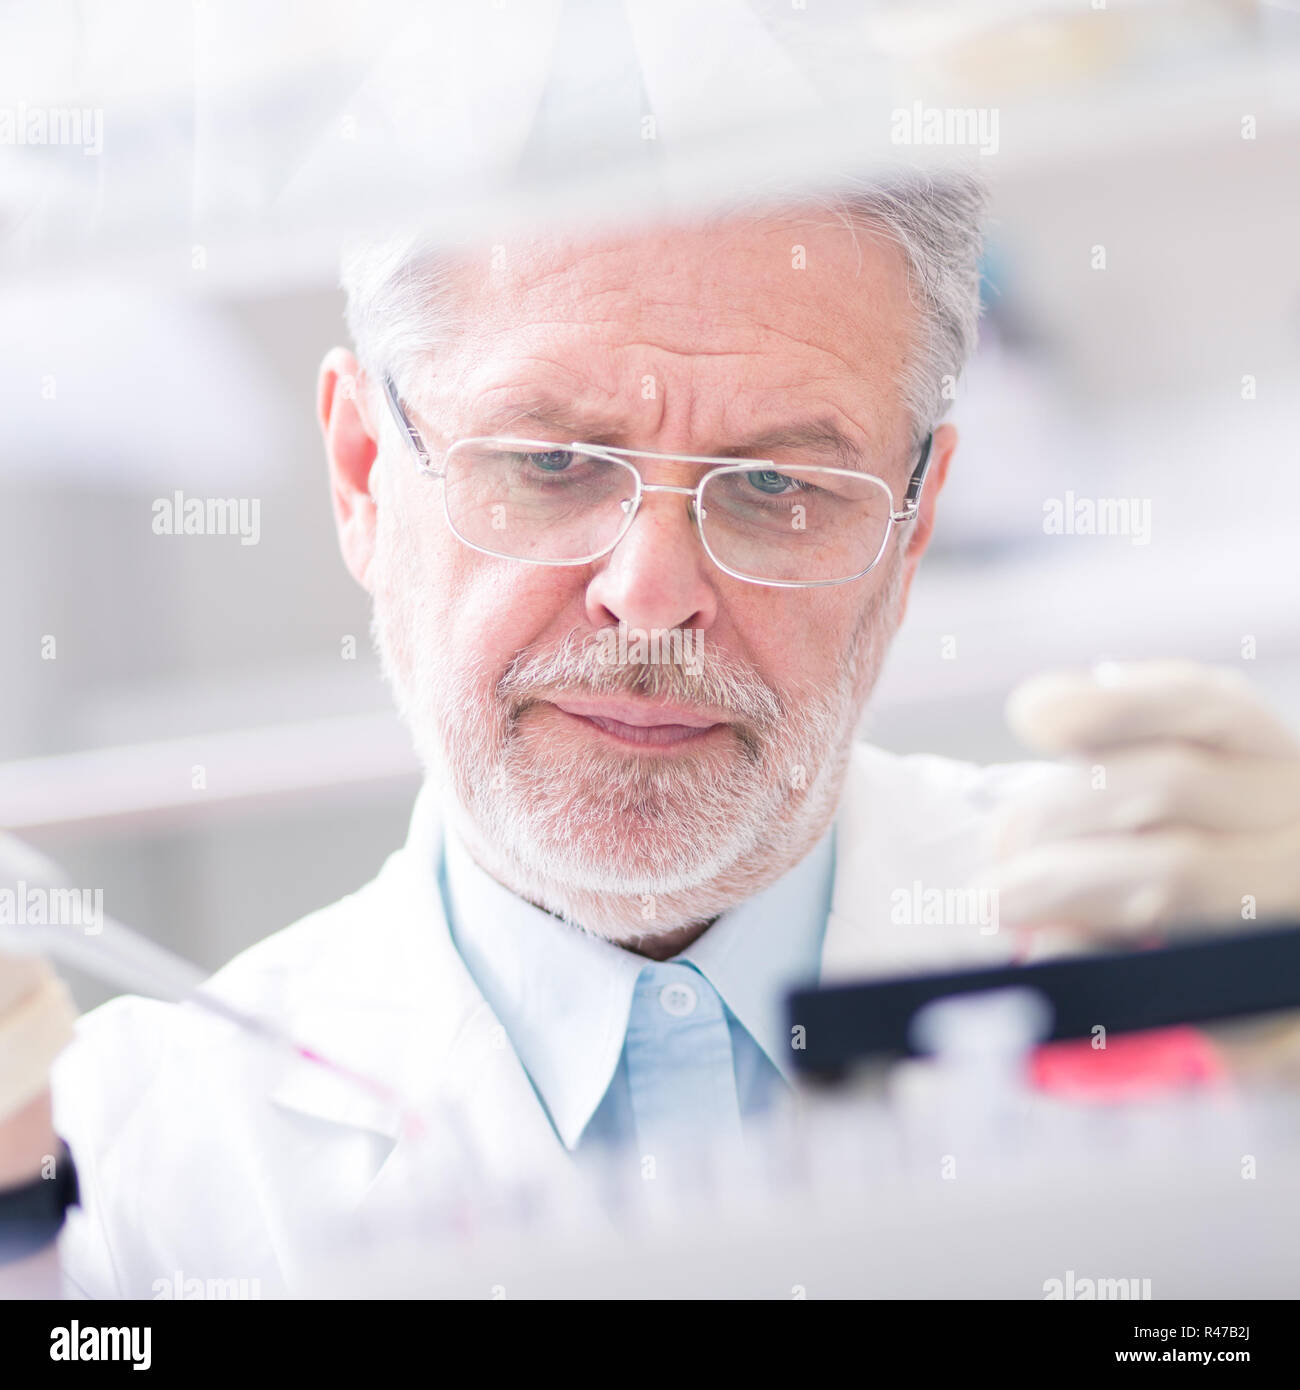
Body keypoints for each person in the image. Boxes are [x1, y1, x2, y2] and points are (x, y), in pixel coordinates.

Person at [4, 172, 1299, 1297]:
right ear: (361, 474)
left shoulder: (1159, 957)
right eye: (553, 461)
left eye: (777, 484)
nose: (653, 590)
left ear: (911, 531)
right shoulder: (124, 1175)